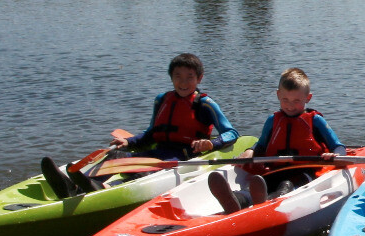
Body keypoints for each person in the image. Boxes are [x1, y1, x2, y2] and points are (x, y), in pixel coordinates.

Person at [41, 53, 238, 199]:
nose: (183, 82)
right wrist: (128, 141)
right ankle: (77, 185)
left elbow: (231, 132)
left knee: (139, 169)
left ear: (199, 79)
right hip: (157, 150)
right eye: (178, 76)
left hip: (181, 155)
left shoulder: (204, 104)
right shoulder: (162, 100)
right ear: (171, 77)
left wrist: (212, 144)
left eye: (189, 77)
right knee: (113, 155)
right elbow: (152, 132)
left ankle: (101, 190)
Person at [208, 67, 345, 213]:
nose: (290, 106)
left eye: (296, 101)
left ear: (308, 98)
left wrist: (335, 155)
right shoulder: (273, 121)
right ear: (278, 95)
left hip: (305, 171)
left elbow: (338, 146)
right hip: (276, 169)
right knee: (260, 182)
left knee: (286, 185)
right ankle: (236, 199)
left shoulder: (315, 121)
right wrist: (250, 151)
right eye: (285, 100)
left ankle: (266, 203)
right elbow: (261, 145)